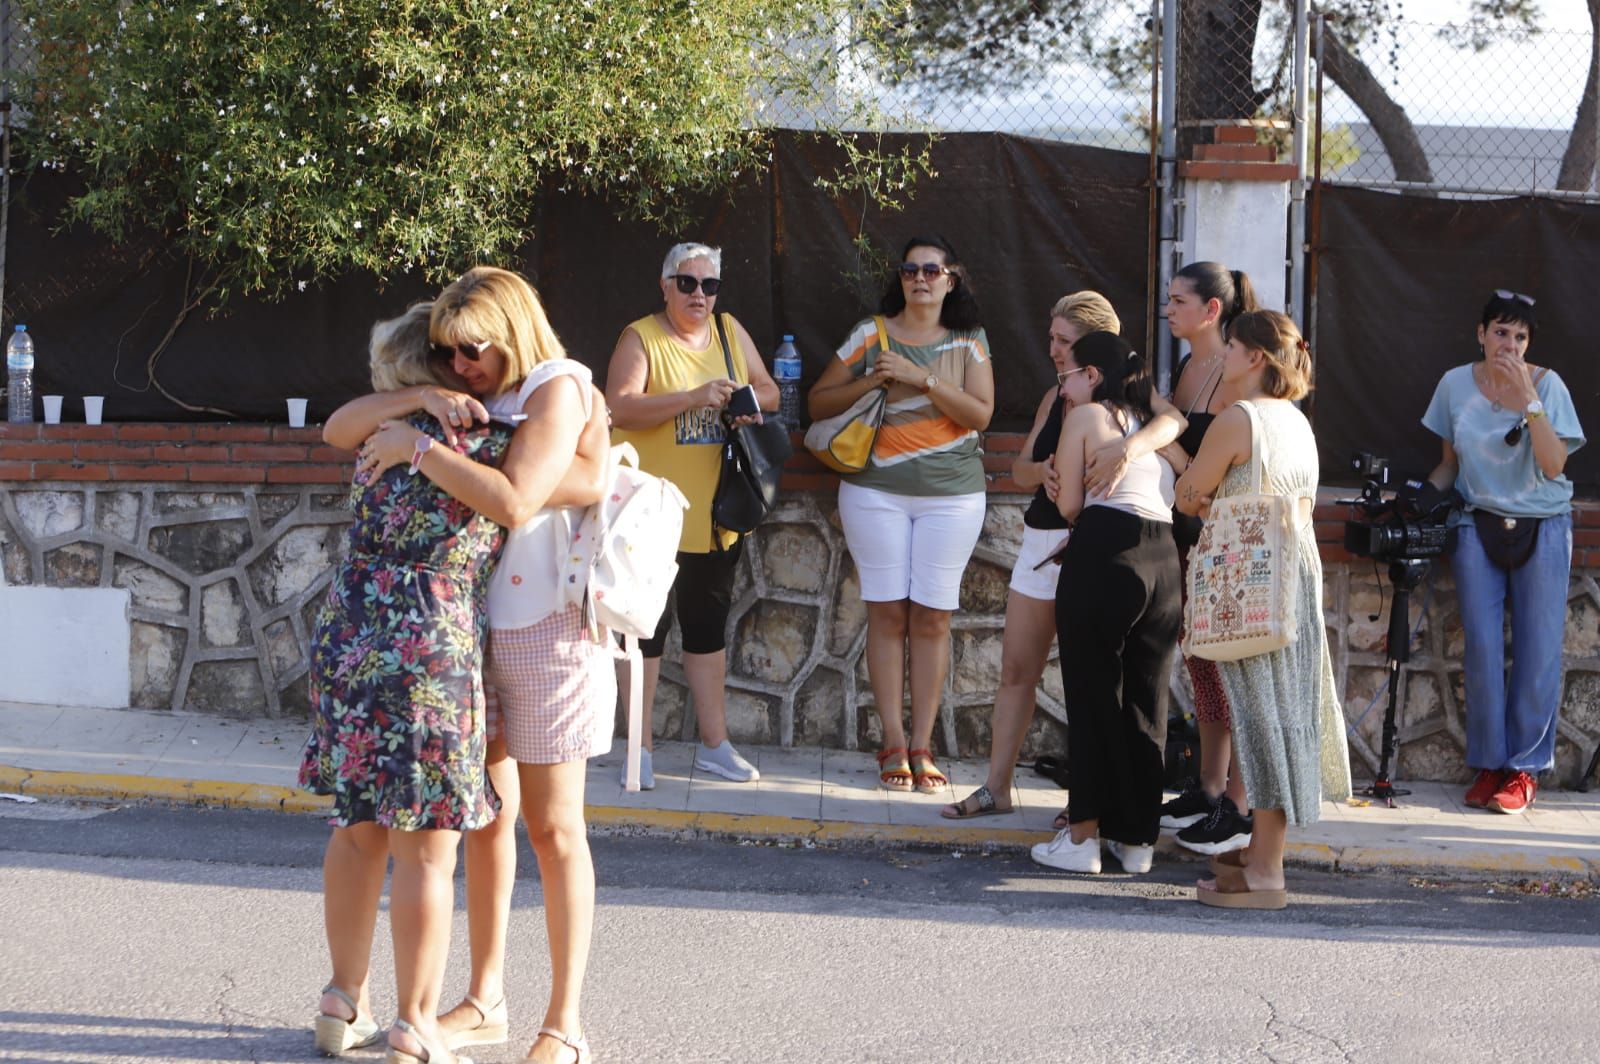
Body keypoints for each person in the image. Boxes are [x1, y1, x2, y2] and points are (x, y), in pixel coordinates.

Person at [309, 268, 610, 1064]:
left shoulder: (551, 391)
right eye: (446, 355)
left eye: (471, 350)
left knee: (532, 828)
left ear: (510, 331)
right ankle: (464, 1006)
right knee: (457, 829)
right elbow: (553, 483)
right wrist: (420, 419)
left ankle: (557, 1022)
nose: (462, 366)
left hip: (521, 631)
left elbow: (531, 495)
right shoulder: (482, 414)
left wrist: (416, 437)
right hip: (451, 642)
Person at [942, 292, 1184, 821]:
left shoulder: (1137, 394)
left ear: (1095, 356)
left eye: (1064, 342)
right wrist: (1046, 472)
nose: (1053, 351)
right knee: (1016, 668)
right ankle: (996, 788)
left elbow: (1173, 427)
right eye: (1052, 338)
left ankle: (1086, 804)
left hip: (1098, 546)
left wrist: (1127, 448)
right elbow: (1022, 468)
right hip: (1043, 538)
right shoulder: (1058, 397)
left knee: (1097, 678)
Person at [1173, 310, 1351, 909]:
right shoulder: (1297, 422)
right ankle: (1259, 854)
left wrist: (1183, 474)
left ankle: (1267, 869)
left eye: (1230, 346)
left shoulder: (1238, 418)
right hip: (1294, 578)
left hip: (1250, 583)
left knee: (1260, 720)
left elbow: (1191, 495)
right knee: (1277, 716)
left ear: (1253, 356)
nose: (1222, 355)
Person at [808, 234, 995, 794]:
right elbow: (818, 403)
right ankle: (893, 742)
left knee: (933, 618)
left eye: (931, 269)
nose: (919, 278)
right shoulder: (874, 333)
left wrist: (923, 379)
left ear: (950, 278)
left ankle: (923, 744)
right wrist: (874, 379)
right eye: (910, 269)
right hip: (874, 492)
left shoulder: (969, 341)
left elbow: (981, 414)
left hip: (953, 496)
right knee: (887, 614)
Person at [1092, 261, 1260, 855]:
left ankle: (1238, 803)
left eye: (1178, 300)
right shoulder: (1190, 366)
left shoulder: (1239, 372)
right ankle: (1210, 787)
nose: (1168, 310)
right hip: (1186, 534)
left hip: (1225, 536)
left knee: (1232, 668)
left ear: (1211, 310)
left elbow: (1220, 457)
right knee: (1202, 661)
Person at [606, 242, 780, 787]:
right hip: (649, 518)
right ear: (665, 285)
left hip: (714, 512)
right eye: (687, 283)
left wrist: (744, 405)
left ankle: (714, 745)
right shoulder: (642, 337)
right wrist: (692, 396)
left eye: (709, 285)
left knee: (708, 633)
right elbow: (620, 405)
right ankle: (640, 749)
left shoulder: (729, 331)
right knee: (645, 636)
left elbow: (770, 390)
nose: (699, 294)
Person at [1424, 290, 1584, 815]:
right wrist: (1419, 497)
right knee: (1483, 649)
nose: (1508, 345)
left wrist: (1528, 399)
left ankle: (1524, 771)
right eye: (1500, 332)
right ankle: (1490, 763)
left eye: (1519, 336)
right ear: (1480, 333)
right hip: (1478, 519)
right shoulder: (1452, 384)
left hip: (1543, 522)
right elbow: (1450, 463)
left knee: (1539, 648)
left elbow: (1555, 464)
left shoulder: (1549, 385)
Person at [1029, 332, 1180, 875]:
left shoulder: (1085, 419)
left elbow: (1070, 503)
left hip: (1103, 552)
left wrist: (1056, 487)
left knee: (1092, 696)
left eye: (1066, 374)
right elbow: (1182, 458)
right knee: (1147, 703)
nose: (1062, 386)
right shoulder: (1153, 428)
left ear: (1091, 375)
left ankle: (1082, 837)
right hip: (1163, 562)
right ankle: (1137, 841)